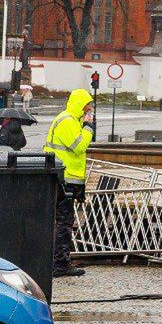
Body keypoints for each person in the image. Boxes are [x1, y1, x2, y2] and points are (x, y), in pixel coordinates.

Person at [43, 88, 96, 278]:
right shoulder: (67, 121)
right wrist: (88, 128)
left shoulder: (71, 120)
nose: (89, 109)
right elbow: (78, 147)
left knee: (63, 221)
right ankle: (60, 263)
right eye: (88, 105)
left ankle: (59, 261)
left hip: (64, 177)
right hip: (64, 179)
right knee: (64, 222)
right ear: (80, 105)